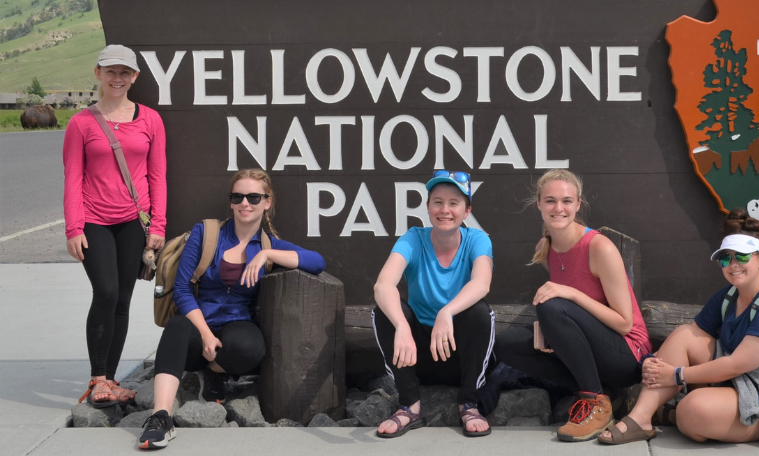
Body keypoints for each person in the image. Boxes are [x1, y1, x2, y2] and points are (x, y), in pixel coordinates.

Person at [136, 169, 325, 450]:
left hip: (236, 325)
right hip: (196, 323)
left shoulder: (268, 244)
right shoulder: (206, 233)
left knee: (251, 346)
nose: (245, 203)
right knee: (176, 329)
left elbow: (317, 261)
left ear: (267, 202)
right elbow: (183, 290)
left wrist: (266, 254)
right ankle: (161, 417)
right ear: (231, 201)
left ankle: (214, 371)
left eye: (253, 196)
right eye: (238, 196)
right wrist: (206, 334)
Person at [597, 210, 759, 447]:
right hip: (739, 381)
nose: (733, 265)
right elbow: (687, 341)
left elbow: (737, 364)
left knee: (692, 410)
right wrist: (653, 361)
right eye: (726, 258)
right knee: (684, 335)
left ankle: (672, 414)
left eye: (742, 257)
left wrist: (676, 374)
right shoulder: (729, 295)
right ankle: (640, 419)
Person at [494, 169, 652, 442]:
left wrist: (570, 295)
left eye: (567, 201)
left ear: (578, 205)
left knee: (553, 303)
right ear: (539, 204)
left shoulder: (599, 248)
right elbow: (568, 314)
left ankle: (595, 404)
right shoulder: (546, 248)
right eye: (550, 200)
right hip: (595, 350)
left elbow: (624, 323)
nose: (559, 208)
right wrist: (553, 332)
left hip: (627, 354)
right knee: (507, 343)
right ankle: (603, 393)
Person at [63, 45, 167, 409]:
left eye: (125, 72)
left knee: (122, 299)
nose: (117, 78)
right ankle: (97, 378)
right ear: (98, 74)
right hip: (94, 220)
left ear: (135, 77)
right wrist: (73, 228)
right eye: (111, 71)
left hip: (134, 222)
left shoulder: (150, 119)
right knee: (105, 292)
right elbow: (73, 179)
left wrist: (158, 224)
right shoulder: (80, 123)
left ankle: (109, 380)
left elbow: (158, 175)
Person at [371, 171, 495, 438]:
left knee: (480, 313)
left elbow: (482, 283)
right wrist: (402, 326)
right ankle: (409, 405)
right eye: (437, 202)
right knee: (386, 310)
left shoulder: (477, 239)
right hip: (417, 354)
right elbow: (383, 285)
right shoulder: (414, 238)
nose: (445, 210)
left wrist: (447, 311)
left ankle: (469, 403)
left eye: (454, 203)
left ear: (466, 210)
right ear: (428, 208)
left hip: (457, 353)